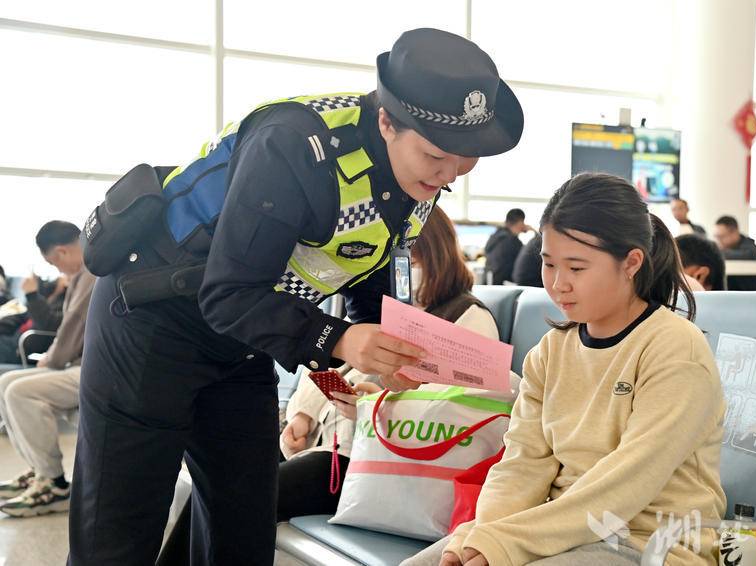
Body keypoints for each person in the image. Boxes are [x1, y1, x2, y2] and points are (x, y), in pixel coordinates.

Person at [69, 28, 523, 566]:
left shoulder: (417, 182)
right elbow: (228, 292)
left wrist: (394, 350)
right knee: (119, 532)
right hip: (153, 324)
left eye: (466, 162)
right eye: (435, 157)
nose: (448, 176)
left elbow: (364, 272)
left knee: (243, 526)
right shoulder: (294, 146)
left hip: (242, 344)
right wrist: (340, 340)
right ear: (386, 122)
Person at [402, 173, 725, 566]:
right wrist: (482, 537)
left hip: (650, 544)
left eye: (576, 268)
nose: (558, 285)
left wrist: (505, 544)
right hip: (556, 534)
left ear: (631, 263)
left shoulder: (674, 348)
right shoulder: (550, 352)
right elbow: (521, 465)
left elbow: (625, 485)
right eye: (549, 264)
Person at [156, 204, 504, 565]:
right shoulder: (384, 315)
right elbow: (335, 366)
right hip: (333, 444)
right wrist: (304, 415)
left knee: (238, 497)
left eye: (410, 260)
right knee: (220, 482)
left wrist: (378, 405)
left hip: (363, 461)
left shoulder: (466, 316)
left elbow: (467, 409)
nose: (402, 275)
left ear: (436, 256)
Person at [0, 221, 95, 517]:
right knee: (6, 382)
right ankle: (38, 470)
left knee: (20, 391)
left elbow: (72, 328)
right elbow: (67, 327)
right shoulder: (82, 274)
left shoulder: (91, 272)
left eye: (55, 262)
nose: (58, 270)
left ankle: (54, 483)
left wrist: (51, 359)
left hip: (95, 367)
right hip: (78, 361)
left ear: (63, 251)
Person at [714, 216, 756, 291]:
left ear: (734, 232)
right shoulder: (725, 249)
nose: (719, 241)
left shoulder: (750, 249)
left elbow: (748, 255)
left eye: (722, 237)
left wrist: (715, 252)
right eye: (716, 237)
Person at [484, 208, 531, 284]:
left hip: (490, 282)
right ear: (520, 223)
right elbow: (527, 260)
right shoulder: (512, 241)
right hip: (504, 285)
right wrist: (534, 232)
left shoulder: (495, 236)